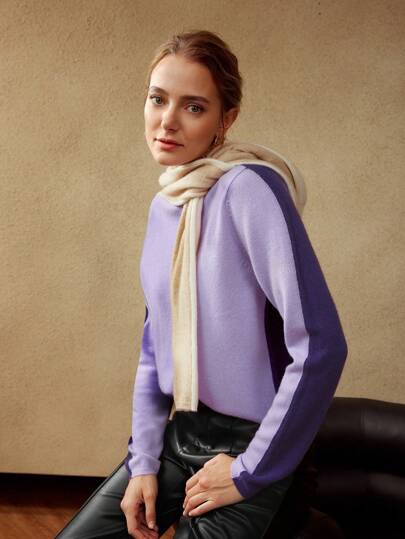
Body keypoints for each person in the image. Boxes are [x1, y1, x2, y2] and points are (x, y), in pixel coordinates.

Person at [55, 30, 348, 539]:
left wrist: (250, 470)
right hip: (182, 432)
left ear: (225, 119)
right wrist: (143, 464)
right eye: (157, 99)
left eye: (193, 107)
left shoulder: (250, 189)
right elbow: (155, 351)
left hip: (255, 444)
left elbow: (322, 344)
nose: (167, 120)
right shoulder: (166, 205)